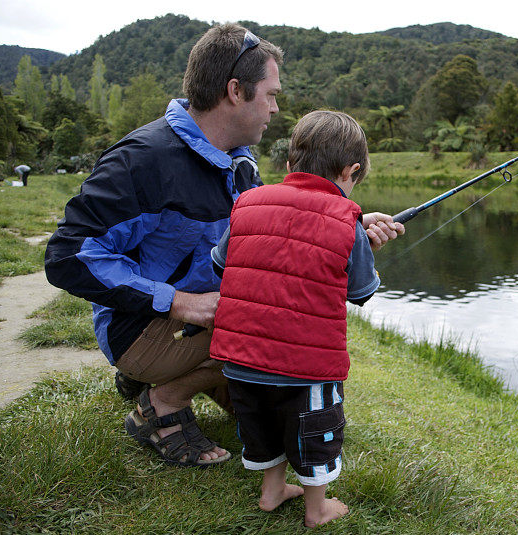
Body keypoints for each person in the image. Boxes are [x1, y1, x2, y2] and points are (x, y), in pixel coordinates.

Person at [44, 23, 403, 468]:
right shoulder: (143, 161)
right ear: (236, 90)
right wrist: (177, 302)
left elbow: (268, 230)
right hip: (144, 326)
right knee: (283, 326)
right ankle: (161, 402)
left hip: (208, 314)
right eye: (270, 95)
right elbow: (67, 256)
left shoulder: (240, 161)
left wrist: (344, 228)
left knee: (268, 406)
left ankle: (171, 377)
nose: (275, 108)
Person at [210, 110, 393, 527]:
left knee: (260, 426)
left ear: (291, 165)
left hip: (240, 360)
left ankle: (271, 491)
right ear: (352, 171)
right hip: (307, 369)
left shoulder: (248, 201)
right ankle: (317, 510)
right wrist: (364, 246)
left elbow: (221, 263)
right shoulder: (348, 220)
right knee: (315, 433)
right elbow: (361, 290)